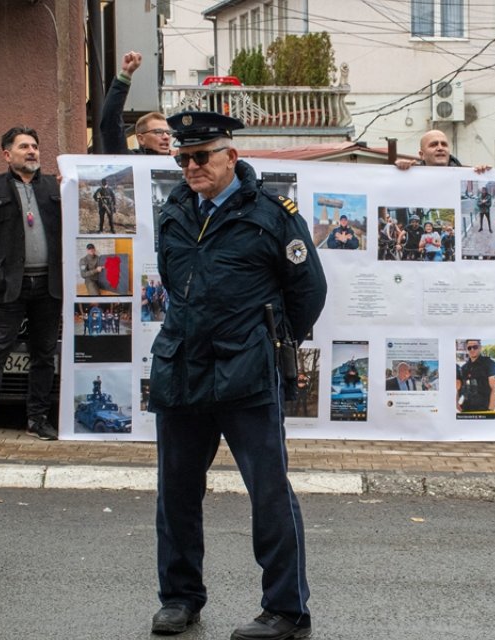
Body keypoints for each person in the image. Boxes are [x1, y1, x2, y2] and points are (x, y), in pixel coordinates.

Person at [146, 111, 327, 639]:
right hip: (182, 367)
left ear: (231, 156)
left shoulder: (273, 214)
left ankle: (287, 611)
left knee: (269, 492)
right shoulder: (175, 210)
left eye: (202, 156)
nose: (191, 166)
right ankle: (180, 599)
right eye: (183, 157)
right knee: (175, 492)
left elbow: (307, 292)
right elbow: (177, 280)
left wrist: (270, 342)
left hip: (247, 371)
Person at [0, 126, 61, 445]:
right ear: (8, 154)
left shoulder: (54, 187)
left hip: (48, 285)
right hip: (8, 285)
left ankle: (37, 419)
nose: (32, 151)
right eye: (23, 147)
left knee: (43, 354)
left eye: (35, 146)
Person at [100, 51, 174, 155]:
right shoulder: (132, 162)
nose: (166, 137)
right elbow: (110, 122)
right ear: (141, 139)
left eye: (168, 133)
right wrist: (125, 75)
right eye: (158, 132)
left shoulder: (182, 164)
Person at [394, 129, 492, 173]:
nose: (440, 148)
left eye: (444, 144)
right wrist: (399, 172)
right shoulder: (411, 176)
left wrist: (482, 175)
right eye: (433, 144)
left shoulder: (465, 175)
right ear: (422, 155)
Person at [457, 339, 495, 412]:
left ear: (480, 347)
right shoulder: (464, 368)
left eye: (475, 347)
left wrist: (490, 410)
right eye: (469, 348)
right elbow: (458, 388)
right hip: (466, 409)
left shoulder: (490, 364)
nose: (472, 349)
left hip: (484, 409)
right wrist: (456, 403)